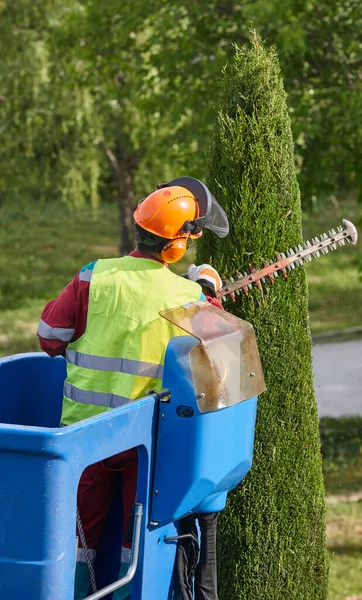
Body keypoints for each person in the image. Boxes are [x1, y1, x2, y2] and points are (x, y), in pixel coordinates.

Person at [37, 177, 228, 600]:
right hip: (145, 441)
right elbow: (217, 344)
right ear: (177, 245)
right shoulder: (187, 295)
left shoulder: (92, 276)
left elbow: (49, 336)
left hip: (83, 439)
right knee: (136, 541)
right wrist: (209, 289)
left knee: (79, 541)